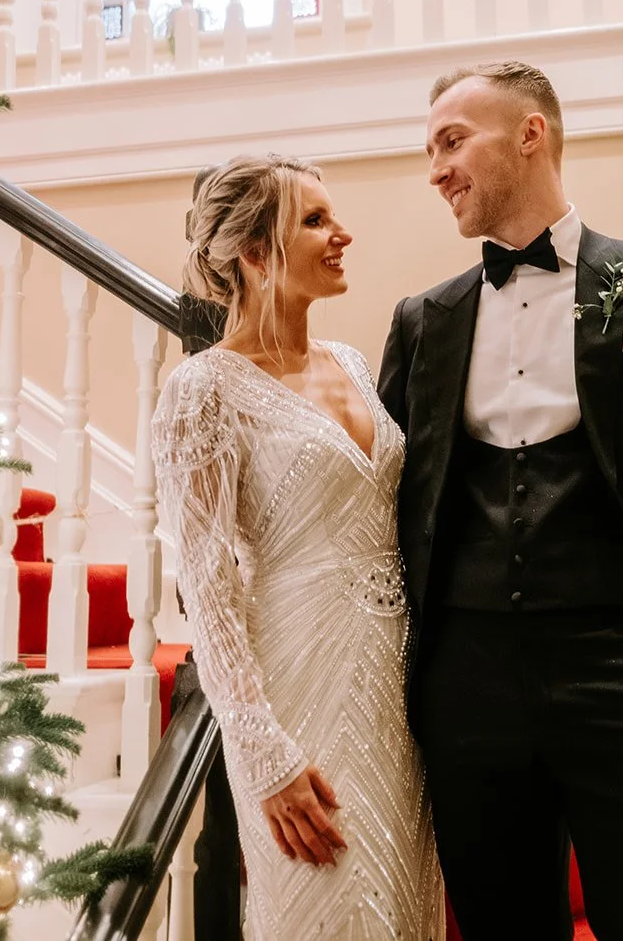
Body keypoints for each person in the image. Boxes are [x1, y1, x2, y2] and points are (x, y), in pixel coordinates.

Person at [378, 62, 623, 940]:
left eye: (453, 141)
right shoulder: (423, 319)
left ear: (532, 134)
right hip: (468, 685)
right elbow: (382, 506)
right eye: (429, 150)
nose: (436, 168)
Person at [152, 155, 442, 941]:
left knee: (404, 904)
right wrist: (261, 751)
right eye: (315, 220)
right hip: (298, 681)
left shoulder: (348, 361)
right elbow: (208, 588)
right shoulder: (202, 390)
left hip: (399, 680)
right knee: (326, 901)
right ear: (253, 252)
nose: (341, 233)